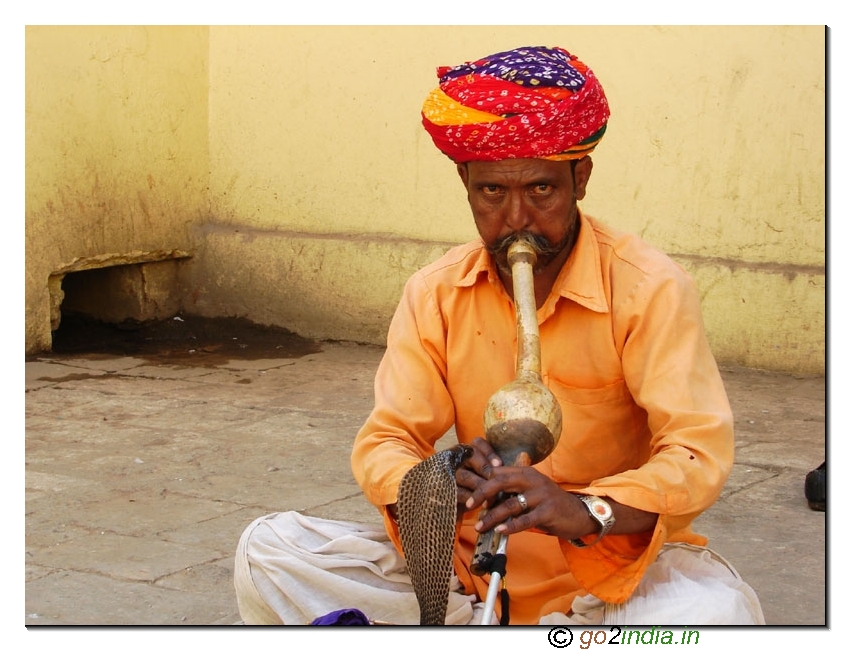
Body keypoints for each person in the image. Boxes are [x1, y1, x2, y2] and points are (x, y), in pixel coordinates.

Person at [233, 45, 765, 625]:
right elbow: (385, 440)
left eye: (541, 190)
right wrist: (431, 484)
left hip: (608, 578)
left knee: (710, 619)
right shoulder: (435, 292)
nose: (516, 219)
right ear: (465, 181)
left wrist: (584, 508)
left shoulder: (648, 288)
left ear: (579, 178)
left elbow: (696, 451)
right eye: (492, 193)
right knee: (268, 551)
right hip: (465, 575)